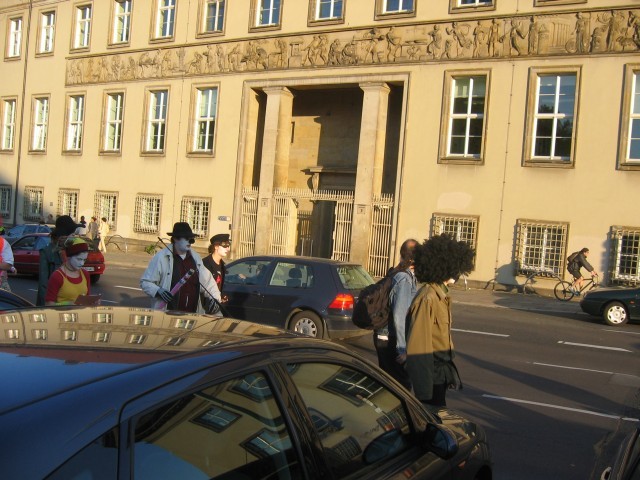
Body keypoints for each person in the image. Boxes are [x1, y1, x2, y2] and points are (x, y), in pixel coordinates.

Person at [406, 235, 475, 408]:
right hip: (431, 380)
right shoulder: (428, 298)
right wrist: (424, 392)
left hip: (440, 376)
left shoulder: (441, 295)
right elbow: (419, 348)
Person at [140, 222, 221, 314]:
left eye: (191, 239)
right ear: (175, 238)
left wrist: (215, 299)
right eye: (187, 238)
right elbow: (146, 282)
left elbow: (208, 282)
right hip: (167, 316)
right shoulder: (161, 258)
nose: (190, 242)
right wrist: (159, 291)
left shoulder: (195, 258)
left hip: (191, 316)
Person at [373, 239, 418, 391]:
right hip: (389, 338)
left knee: (388, 385)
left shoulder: (395, 272)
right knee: (401, 386)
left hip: (384, 336)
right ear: (413, 259)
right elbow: (399, 317)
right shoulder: (404, 279)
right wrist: (403, 350)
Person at [37, 215, 82, 305]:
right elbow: (43, 284)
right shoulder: (47, 252)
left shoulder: (73, 251)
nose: (73, 237)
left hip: (71, 305)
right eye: (71, 234)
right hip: (54, 304)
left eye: (74, 234)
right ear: (63, 235)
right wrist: (45, 308)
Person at [45, 238, 92, 305]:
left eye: (84, 260)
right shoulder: (57, 276)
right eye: (79, 259)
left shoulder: (85, 274)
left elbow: (87, 298)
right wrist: (67, 304)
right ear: (69, 257)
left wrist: (92, 302)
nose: (82, 263)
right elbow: (48, 304)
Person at [0, 226, 17, 291]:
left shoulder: (2, 243)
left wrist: (12, 268)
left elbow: (8, 263)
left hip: (2, 277)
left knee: (6, 291)